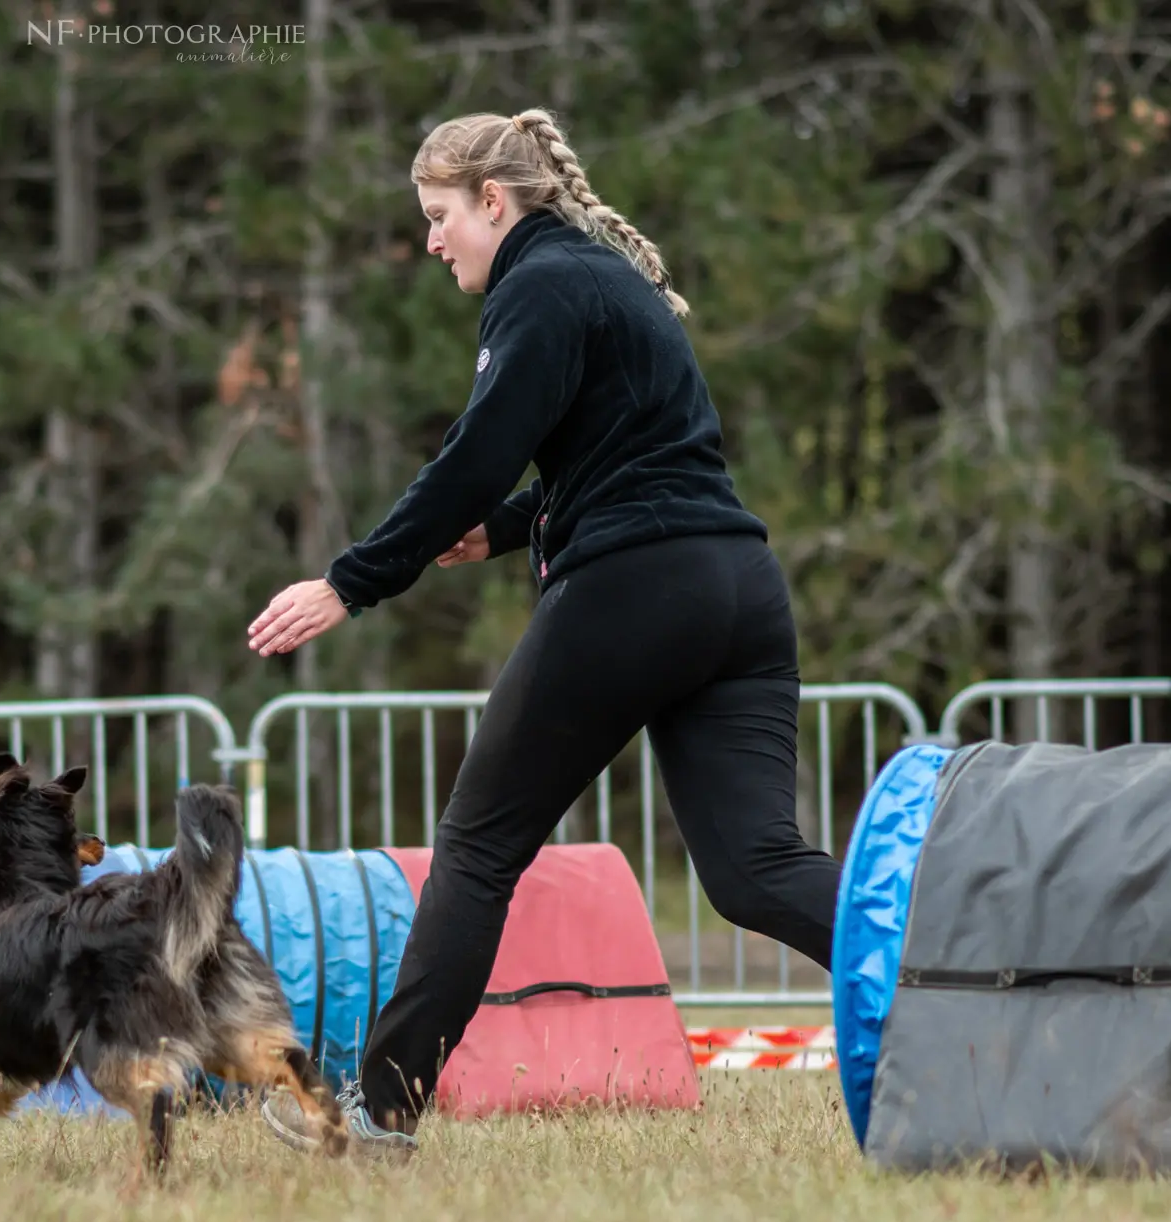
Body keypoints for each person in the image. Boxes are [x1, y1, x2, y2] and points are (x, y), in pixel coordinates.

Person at [247, 109, 841, 1158]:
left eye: (438, 217)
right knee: (753, 869)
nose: (430, 242)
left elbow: (476, 454)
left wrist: (351, 580)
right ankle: (967, 964)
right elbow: (630, 452)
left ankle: (376, 1111)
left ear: (493, 202)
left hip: (635, 591)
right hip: (736, 587)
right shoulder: (601, 276)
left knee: (475, 847)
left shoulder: (538, 286)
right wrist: (514, 528)